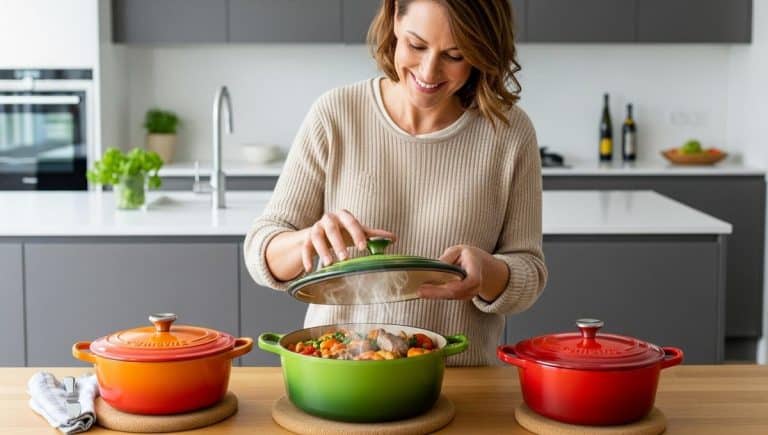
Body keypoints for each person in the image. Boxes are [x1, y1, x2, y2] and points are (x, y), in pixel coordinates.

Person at [244, 0, 547, 366]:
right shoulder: (337, 114)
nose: (428, 71)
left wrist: (489, 273)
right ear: (393, 22)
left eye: (455, 54)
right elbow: (260, 250)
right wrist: (306, 240)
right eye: (416, 45)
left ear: (482, 52)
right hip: (339, 371)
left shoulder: (510, 134)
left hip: (456, 381)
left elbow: (529, 270)